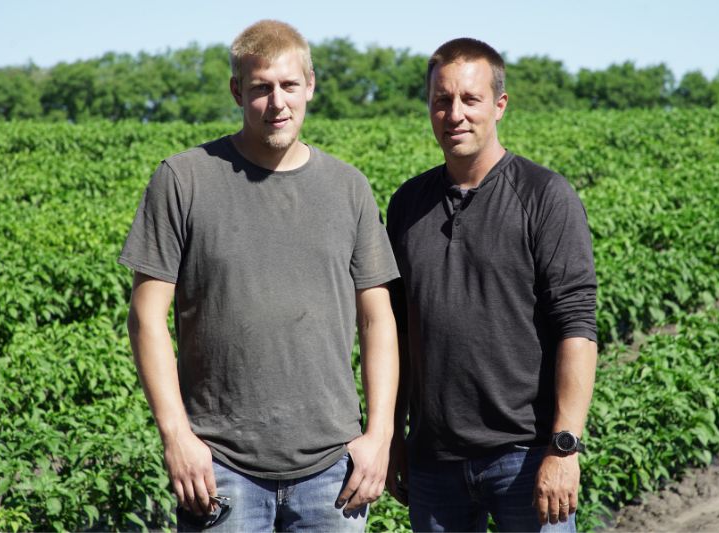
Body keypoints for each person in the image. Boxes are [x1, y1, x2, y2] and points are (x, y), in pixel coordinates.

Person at [119, 20, 399, 532]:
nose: (278, 103)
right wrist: (176, 437)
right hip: (219, 468)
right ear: (236, 91)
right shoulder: (184, 179)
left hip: (332, 472)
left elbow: (378, 320)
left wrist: (378, 437)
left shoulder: (348, 188)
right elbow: (145, 318)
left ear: (310, 85)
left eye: (290, 85)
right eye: (260, 88)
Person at [385, 37, 598, 532]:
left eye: (470, 99)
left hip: (524, 458)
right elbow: (396, 335)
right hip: (435, 463)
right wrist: (392, 437)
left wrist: (564, 447)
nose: (454, 113)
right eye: (442, 100)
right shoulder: (407, 204)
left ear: (499, 105)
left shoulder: (545, 195)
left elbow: (577, 327)